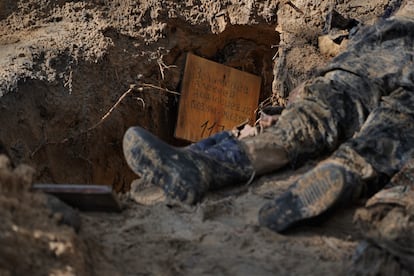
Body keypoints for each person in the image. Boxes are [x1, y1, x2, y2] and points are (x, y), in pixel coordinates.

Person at [123, 2, 414, 235]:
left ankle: (218, 165)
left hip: (397, 33)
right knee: (339, 99)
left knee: (340, 104)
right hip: (399, 33)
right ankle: (343, 174)